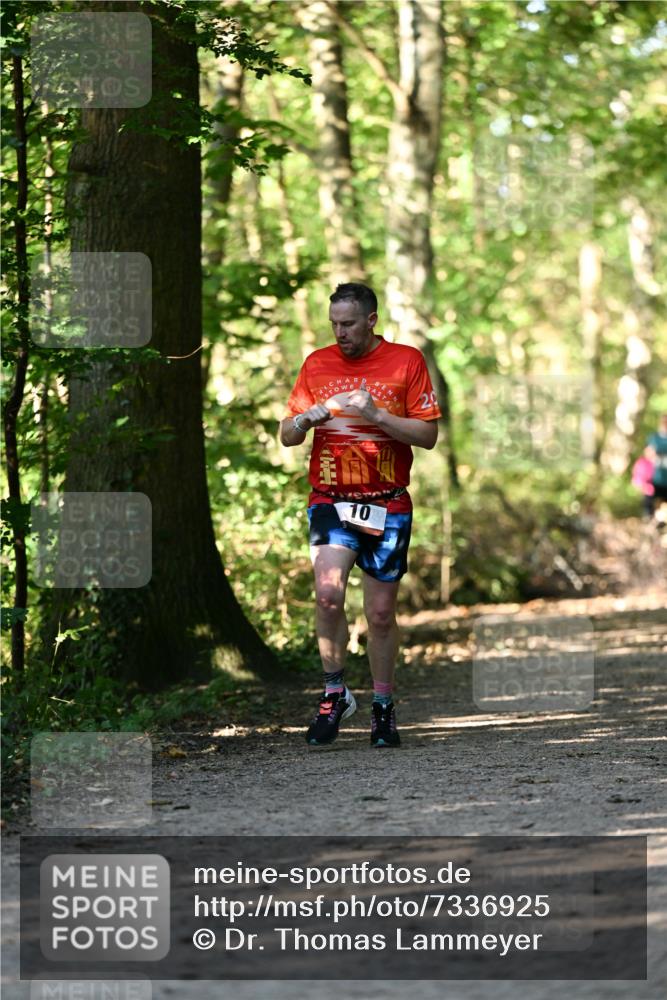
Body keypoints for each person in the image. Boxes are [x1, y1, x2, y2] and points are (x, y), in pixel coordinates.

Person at [280, 283, 441, 748]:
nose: (340, 332)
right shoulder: (316, 363)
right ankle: (334, 693)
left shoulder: (406, 361)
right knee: (328, 597)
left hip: (388, 502)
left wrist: (377, 415)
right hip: (330, 499)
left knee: (381, 614)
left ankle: (384, 707)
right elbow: (287, 435)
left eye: (347, 324)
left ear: (371, 320)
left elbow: (427, 436)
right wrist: (307, 419)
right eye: (333, 323)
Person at [643, 413, 667, 520]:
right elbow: (648, 452)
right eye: (664, 422)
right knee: (649, 500)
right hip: (655, 477)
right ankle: (649, 520)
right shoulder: (654, 438)